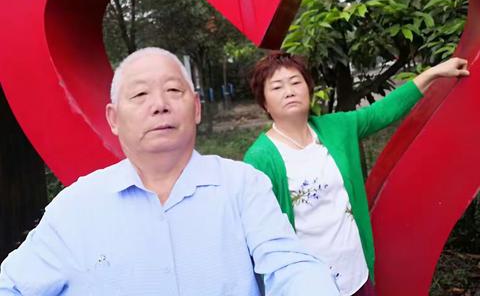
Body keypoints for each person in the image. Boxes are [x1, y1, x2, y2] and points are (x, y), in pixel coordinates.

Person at [0, 47, 339, 296]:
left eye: (173, 91)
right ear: (114, 120)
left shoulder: (241, 185)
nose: (159, 104)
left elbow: (291, 266)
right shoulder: (76, 206)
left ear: (196, 109)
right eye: (140, 94)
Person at [244, 51, 469, 296]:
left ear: (308, 89)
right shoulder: (261, 158)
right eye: (277, 87)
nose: (289, 91)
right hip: (307, 285)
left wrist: (433, 73)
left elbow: (383, 112)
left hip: (356, 274)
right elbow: (258, 233)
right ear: (264, 102)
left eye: (296, 82)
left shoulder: (336, 128)